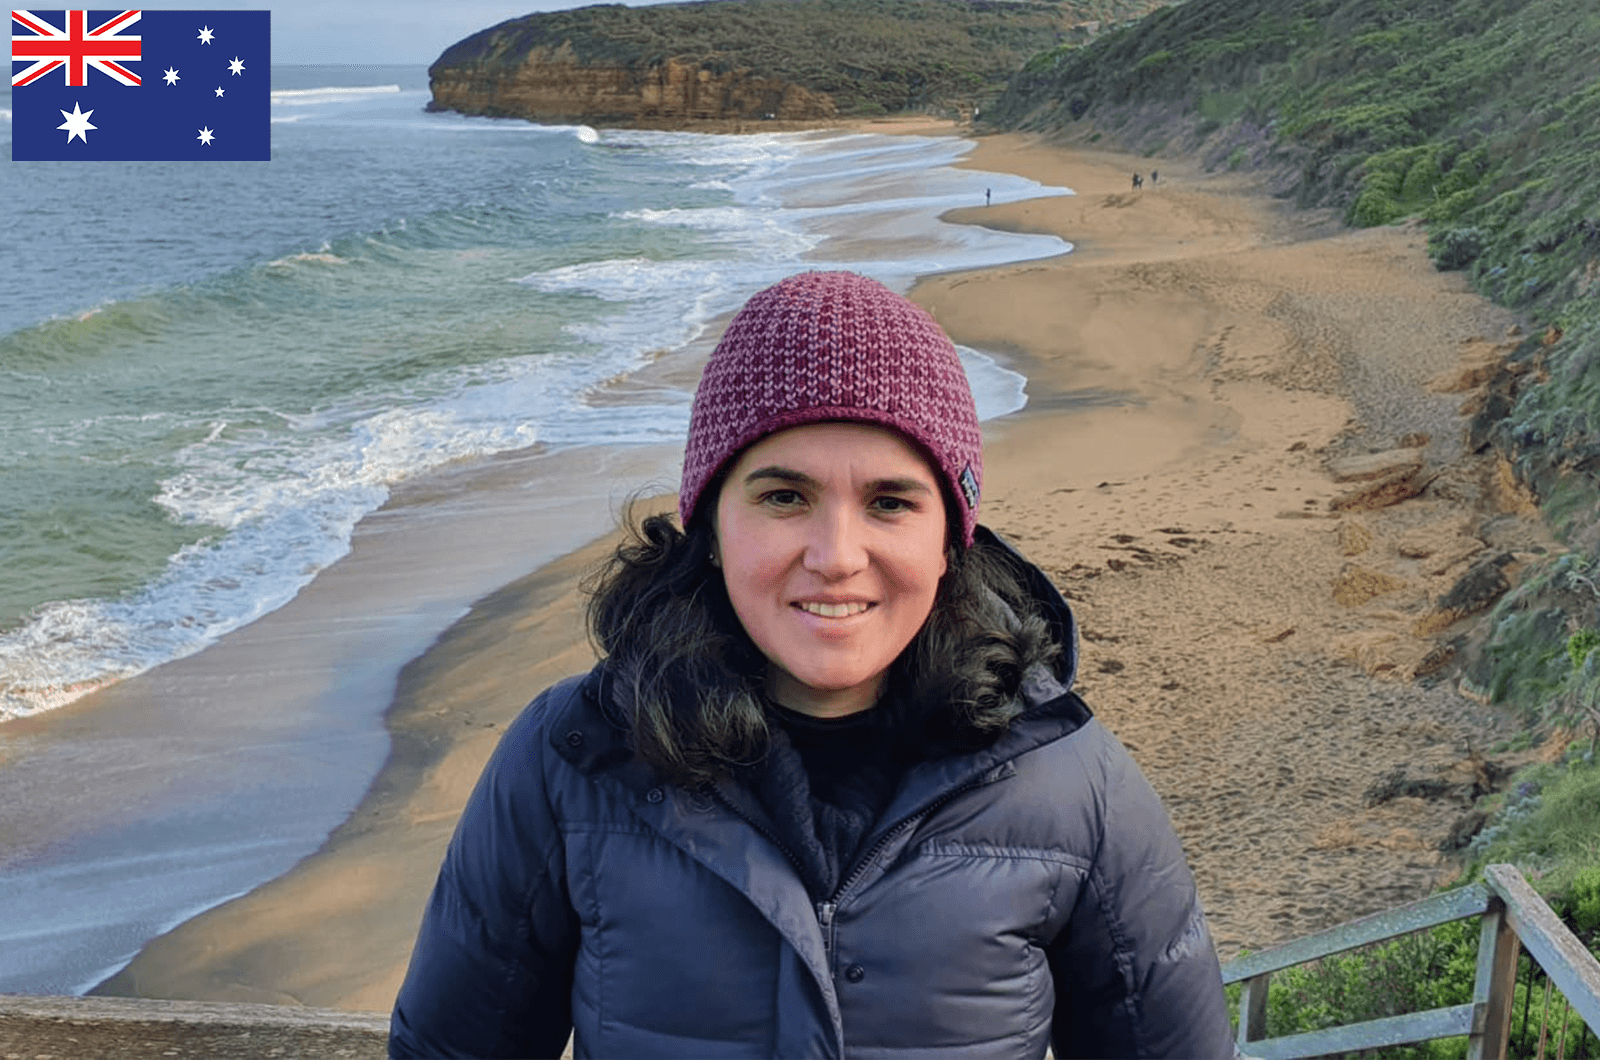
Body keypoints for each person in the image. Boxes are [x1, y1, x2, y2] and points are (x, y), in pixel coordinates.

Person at [389, 271, 1234, 1059]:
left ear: (950, 539)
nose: (836, 556)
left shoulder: (1072, 785)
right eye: (783, 496)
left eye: (890, 502)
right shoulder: (572, 758)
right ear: (712, 526)